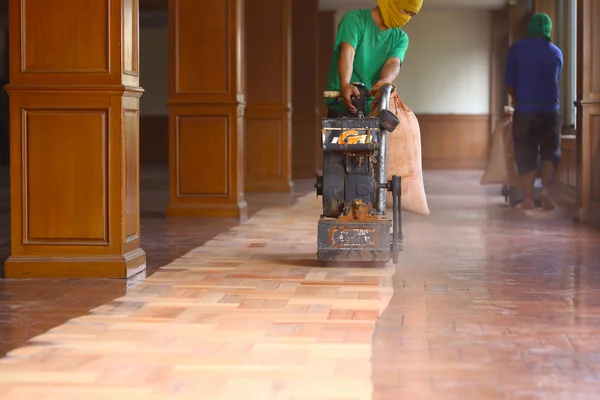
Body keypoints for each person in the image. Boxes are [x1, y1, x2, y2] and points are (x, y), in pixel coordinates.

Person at [505, 12, 563, 211]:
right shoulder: (556, 52)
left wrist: (517, 100)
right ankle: (546, 192)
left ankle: (528, 199)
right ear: (549, 29)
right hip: (551, 110)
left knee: (525, 153)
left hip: (525, 110)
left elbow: (509, 83)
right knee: (550, 152)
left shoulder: (517, 49)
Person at [325, 0, 422, 118]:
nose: (406, 18)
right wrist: (345, 84)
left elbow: (393, 62)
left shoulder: (400, 37)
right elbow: (347, 51)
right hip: (342, 107)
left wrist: (384, 81)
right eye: (405, 11)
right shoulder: (355, 19)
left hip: (374, 109)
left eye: (411, 15)